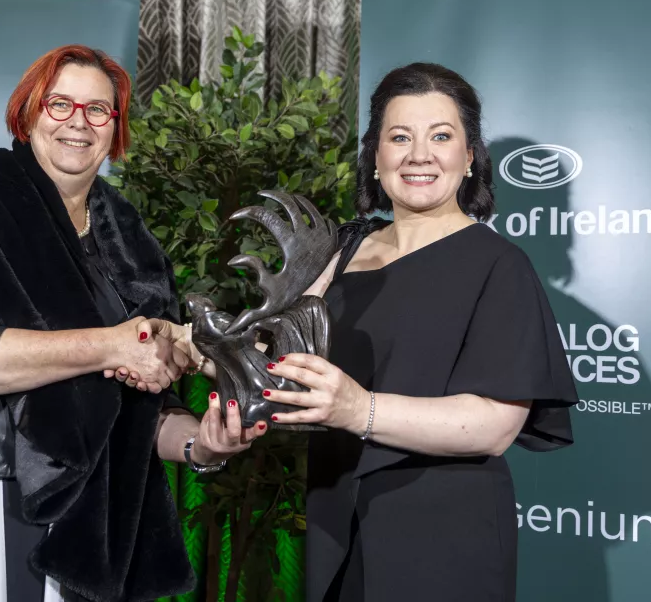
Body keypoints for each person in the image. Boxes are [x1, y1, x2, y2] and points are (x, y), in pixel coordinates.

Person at [121, 63, 578, 601]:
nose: (419, 154)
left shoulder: (500, 266)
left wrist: (357, 410)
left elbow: (495, 425)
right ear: (376, 157)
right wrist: (193, 346)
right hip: (337, 513)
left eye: (441, 136)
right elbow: (278, 362)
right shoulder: (345, 251)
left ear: (470, 156)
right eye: (399, 137)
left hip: (446, 533)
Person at [0, 44, 266, 602]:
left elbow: (141, 407)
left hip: (78, 510)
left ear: (114, 129)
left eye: (98, 110)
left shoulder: (130, 240)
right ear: (29, 112)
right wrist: (111, 345)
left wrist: (201, 446)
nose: (78, 123)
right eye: (59, 104)